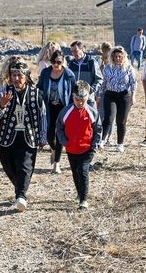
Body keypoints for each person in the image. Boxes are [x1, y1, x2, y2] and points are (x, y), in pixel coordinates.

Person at [0, 61, 47, 212]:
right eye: (13, 75)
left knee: (25, 166)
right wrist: (2, 105)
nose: (16, 78)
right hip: (7, 136)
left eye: (19, 75)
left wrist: (43, 136)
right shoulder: (5, 92)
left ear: (26, 76)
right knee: (7, 165)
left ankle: (21, 196)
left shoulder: (36, 93)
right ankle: (20, 191)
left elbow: (43, 115)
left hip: (29, 136)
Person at [56, 81, 102, 210]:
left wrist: (95, 145)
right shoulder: (66, 111)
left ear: (88, 97)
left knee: (83, 171)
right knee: (75, 172)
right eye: (77, 99)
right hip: (71, 149)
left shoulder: (92, 112)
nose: (80, 102)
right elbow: (59, 127)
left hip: (87, 149)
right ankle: (79, 192)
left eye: (83, 99)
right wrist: (65, 142)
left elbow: (98, 129)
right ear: (72, 97)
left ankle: (83, 200)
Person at [37, 50, 76, 173]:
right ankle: (54, 150)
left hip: (63, 107)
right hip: (49, 107)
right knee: (49, 134)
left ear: (62, 61)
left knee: (60, 135)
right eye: (53, 62)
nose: (56, 64)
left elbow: (73, 92)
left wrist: (72, 107)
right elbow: (39, 87)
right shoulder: (45, 72)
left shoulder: (69, 75)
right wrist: (38, 95)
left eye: (58, 62)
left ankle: (56, 164)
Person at [100, 46, 137, 153]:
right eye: (115, 56)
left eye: (120, 56)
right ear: (112, 57)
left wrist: (133, 96)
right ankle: (102, 140)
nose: (117, 59)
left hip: (124, 96)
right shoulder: (108, 68)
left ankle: (120, 144)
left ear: (123, 57)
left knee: (121, 121)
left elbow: (133, 82)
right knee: (109, 118)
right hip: (110, 95)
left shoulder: (128, 68)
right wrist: (99, 95)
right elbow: (104, 83)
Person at [67, 41, 103, 107]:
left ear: (82, 49)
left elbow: (99, 79)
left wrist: (91, 90)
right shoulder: (71, 64)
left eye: (75, 50)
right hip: (75, 100)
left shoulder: (91, 62)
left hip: (88, 99)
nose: (74, 53)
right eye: (72, 51)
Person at [96, 42, 114, 146]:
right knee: (101, 113)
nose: (107, 53)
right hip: (101, 91)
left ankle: (109, 137)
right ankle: (101, 135)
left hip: (110, 90)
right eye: (105, 50)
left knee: (111, 115)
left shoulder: (113, 62)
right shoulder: (98, 61)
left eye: (108, 50)